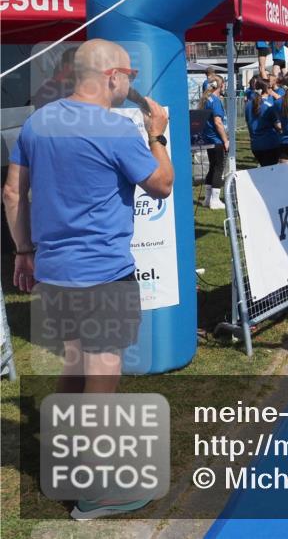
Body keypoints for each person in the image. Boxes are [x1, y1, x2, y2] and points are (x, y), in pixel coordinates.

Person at [2, 39, 173, 519]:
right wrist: (155, 134)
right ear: (113, 76)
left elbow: (13, 194)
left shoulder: (38, 122)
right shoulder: (116, 130)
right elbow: (161, 185)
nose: (131, 86)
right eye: (130, 77)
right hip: (102, 273)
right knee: (102, 375)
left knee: (76, 367)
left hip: (55, 272)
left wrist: (24, 251)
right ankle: (94, 490)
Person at [199, 78, 228, 209]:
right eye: (223, 84)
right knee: (218, 168)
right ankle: (215, 201)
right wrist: (225, 140)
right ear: (219, 86)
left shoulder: (206, 99)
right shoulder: (215, 101)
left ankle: (207, 199)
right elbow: (218, 122)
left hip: (208, 139)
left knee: (212, 167)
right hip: (216, 139)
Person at [245, 78, 283, 166]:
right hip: (270, 144)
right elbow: (278, 126)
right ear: (267, 89)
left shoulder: (248, 105)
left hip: (255, 145)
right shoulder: (269, 106)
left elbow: (248, 123)